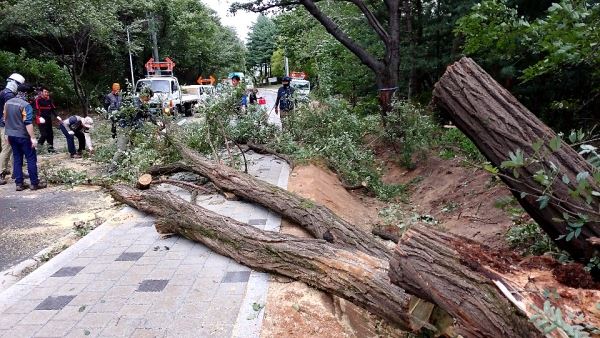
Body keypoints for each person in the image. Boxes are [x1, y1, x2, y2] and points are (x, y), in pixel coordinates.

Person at [3, 83, 47, 191]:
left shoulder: (7, 103)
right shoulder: (25, 105)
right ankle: (34, 183)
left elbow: (5, 119)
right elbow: (28, 123)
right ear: (26, 93)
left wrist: (6, 134)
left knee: (17, 159)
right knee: (31, 159)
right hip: (23, 136)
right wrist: (33, 137)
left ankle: (19, 184)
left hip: (11, 136)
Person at [0, 73, 24, 185]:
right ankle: (1, 173)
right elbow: (10, 113)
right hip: (7, 126)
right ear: (14, 83)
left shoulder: (4, 93)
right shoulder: (8, 95)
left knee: (15, 148)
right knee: (7, 148)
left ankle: (17, 172)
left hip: (7, 125)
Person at [35, 86, 59, 153]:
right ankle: (37, 149)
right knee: (44, 135)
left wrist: (57, 116)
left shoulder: (49, 100)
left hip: (48, 119)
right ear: (41, 92)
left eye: (47, 92)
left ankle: (50, 149)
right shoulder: (38, 100)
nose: (46, 93)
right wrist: (39, 117)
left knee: (50, 134)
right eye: (45, 92)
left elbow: (52, 109)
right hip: (41, 120)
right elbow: (36, 110)